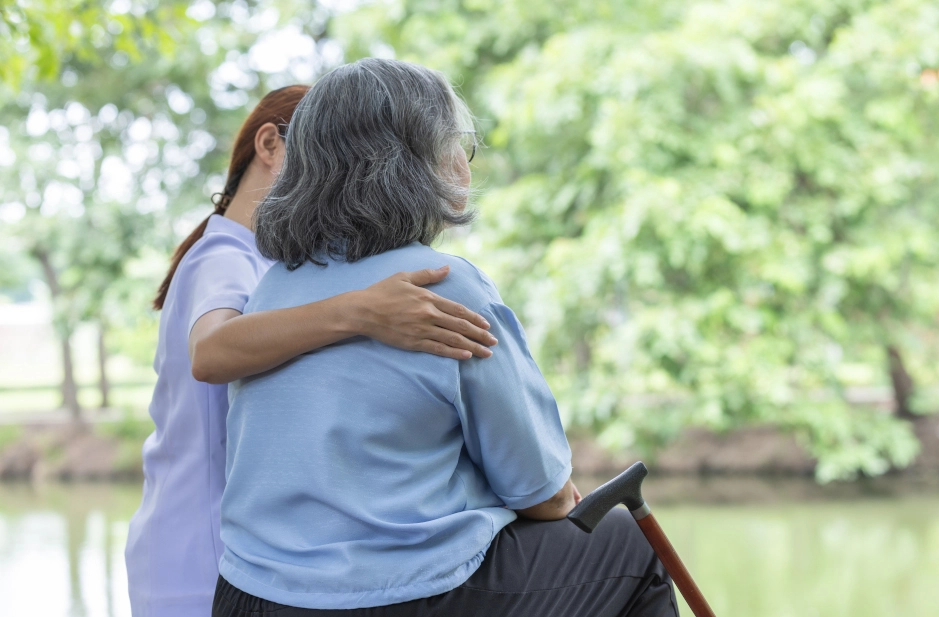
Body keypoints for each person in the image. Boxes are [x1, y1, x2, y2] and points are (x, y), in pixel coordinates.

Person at [213, 59, 678, 617]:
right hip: (390, 598)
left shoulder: (272, 289)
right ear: (417, 162)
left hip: (248, 594)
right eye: (458, 143)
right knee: (629, 545)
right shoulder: (442, 285)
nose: (464, 160)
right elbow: (544, 494)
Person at [125, 85, 499, 617]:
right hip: (201, 556)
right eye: (318, 154)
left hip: (248, 555)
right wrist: (361, 311)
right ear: (269, 145)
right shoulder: (224, 256)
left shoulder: (283, 270)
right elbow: (210, 354)